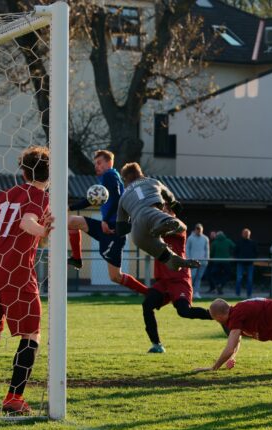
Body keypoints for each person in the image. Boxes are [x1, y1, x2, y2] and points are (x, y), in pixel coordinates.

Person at [0, 146, 54, 414]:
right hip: (17, 272)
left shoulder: (3, 195)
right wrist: (45, 230)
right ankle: (14, 398)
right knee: (32, 334)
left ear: (24, 170)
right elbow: (27, 223)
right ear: (50, 172)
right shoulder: (40, 195)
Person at [67, 150, 148, 295]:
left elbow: (117, 198)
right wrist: (70, 207)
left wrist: (105, 220)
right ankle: (76, 258)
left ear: (109, 162)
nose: (96, 166)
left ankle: (150, 293)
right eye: (95, 164)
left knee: (115, 276)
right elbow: (91, 200)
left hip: (113, 230)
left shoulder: (110, 175)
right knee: (72, 221)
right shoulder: (107, 178)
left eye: (99, 163)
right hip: (107, 226)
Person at [143, 209, 214, 354]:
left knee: (184, 312)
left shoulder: (179, 229)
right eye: (162, 210)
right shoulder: (155, 229)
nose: (164, 213)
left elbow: (167, 228)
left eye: (168, 211)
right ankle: (156, 344)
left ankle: (218, 316)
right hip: (163, 281)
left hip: (179, 280)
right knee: (147, 305)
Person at [114, 163, 199, 271]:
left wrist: (134, 221)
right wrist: (174, 207)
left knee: (169, 260)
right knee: (182, 226)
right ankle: (167, 226)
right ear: (140, 173)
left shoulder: (123, 197)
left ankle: (174, 260)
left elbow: (120, 230)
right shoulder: (153, 182)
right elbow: (174, 202)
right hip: (152, 213)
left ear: (125, 179)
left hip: (137, 232)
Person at [186, 223, 209, 299]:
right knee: (192, 277)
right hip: (193, 262)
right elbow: (187, 249)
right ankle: (189, 291)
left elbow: (207, 250)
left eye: (200, 229)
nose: (199, 231)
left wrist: (206, 260)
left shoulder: (205, 238)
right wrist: (189, 259)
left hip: (203, 262)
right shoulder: (190, 238)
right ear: (195, 229)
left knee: (199, 278)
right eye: (197, 229)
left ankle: (196, 292)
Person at [234, 228, 257, 298]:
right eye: (244, 233)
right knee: (239, 279)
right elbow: (235, 252)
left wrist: (252, 258)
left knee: (250, 279)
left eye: (247, 233)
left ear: (249, 234)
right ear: (242, 234)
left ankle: (249, 295)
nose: (246, 235)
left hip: (250, 264)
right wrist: (238, 258)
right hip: (240, 263)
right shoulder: (239, 242)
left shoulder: (253, 243)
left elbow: (256, 252)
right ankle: (237, 294)